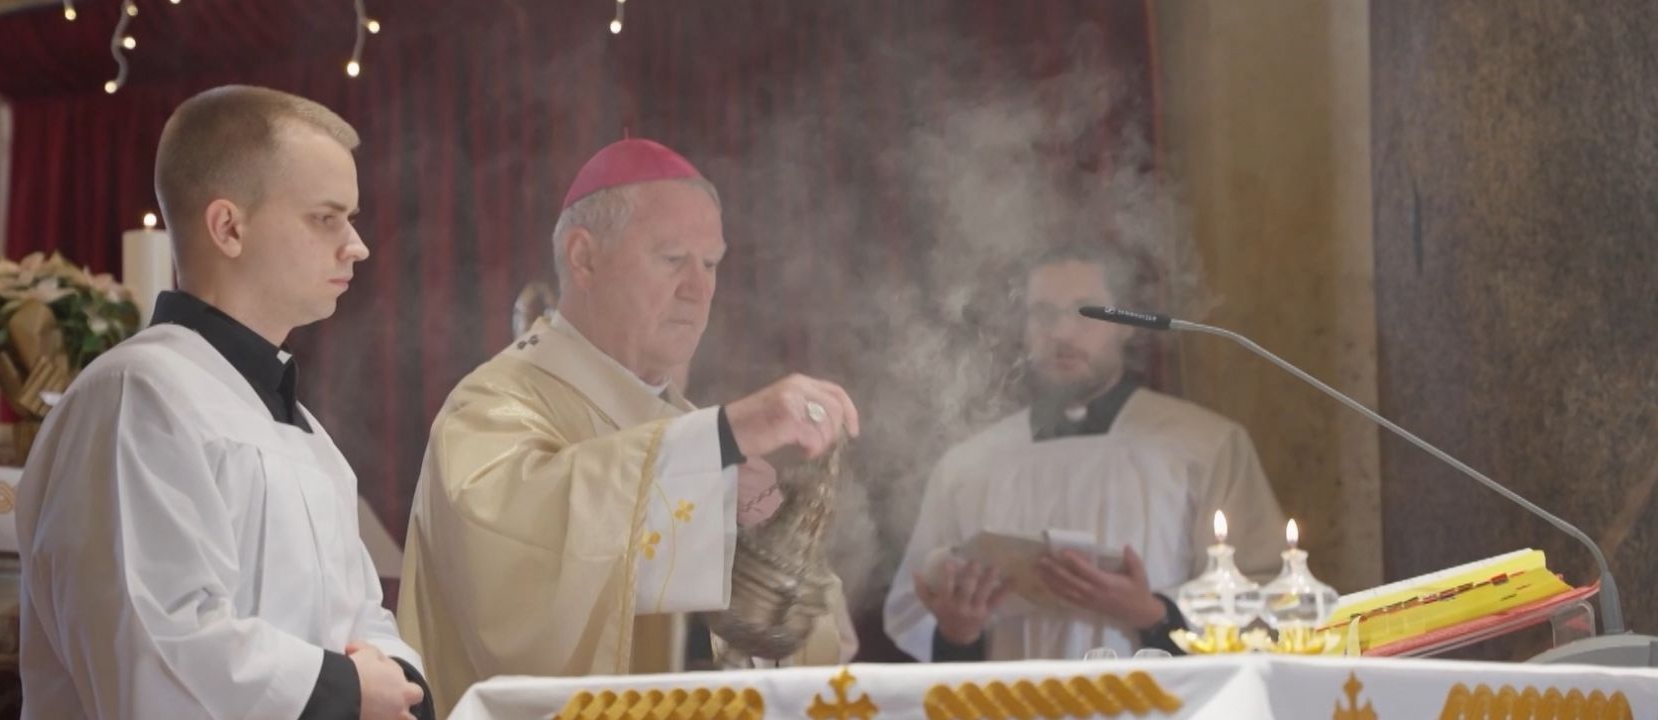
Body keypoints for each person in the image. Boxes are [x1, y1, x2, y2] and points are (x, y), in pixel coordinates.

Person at [399, 138, 860, 713]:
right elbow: (512, 567)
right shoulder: (492, 406)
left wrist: (766, 540)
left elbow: (811, 644)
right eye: (672, 259)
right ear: (584, 258)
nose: (699, 289)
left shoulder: (690, 429)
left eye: (711, 264)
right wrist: (719, 445)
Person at [15, 85, 430, 720]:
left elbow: (363, 617)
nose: (357, 245)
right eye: (326, 218)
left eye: (350, 218)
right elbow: (153, 643)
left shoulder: (305, 432)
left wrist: (400, 686)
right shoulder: (137, 394)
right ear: (229, 228)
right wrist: (347, 691)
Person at [884, 243, 1287, 662]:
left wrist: (1155, 614)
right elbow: (916, 614)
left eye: (1086, 312)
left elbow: (1266, 595)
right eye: (1043, 315)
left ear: (1127, 324)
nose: (1062, 333)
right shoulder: (968, 466)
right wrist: (958, 631)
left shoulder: (1202, 445)